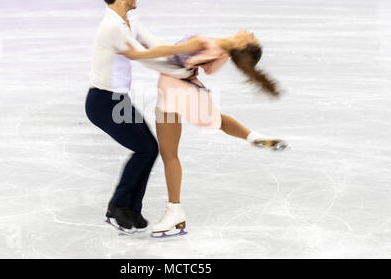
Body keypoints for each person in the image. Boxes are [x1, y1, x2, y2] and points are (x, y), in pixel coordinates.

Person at [118, 31, 288, 237]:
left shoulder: (208, 43)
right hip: (187, 89)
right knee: (217, 119)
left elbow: (169, 51)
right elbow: (193, 64)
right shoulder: (223, 53)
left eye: (253, 38)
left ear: (242, 43)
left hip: (172, 90)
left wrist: (138, 55)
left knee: (170, 155)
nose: (252, 33)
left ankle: (175, 211)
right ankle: (252, 136)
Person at [85, 0, 196, 233]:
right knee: (145, 148)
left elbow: (152, 43)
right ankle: (118, 207)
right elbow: (142, 57)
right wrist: (180, 69)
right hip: (103, 102)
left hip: (118, 100)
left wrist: (181, 59)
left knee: (148, 148)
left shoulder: (129, 19)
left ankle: (131, 208)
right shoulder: (112, 27)